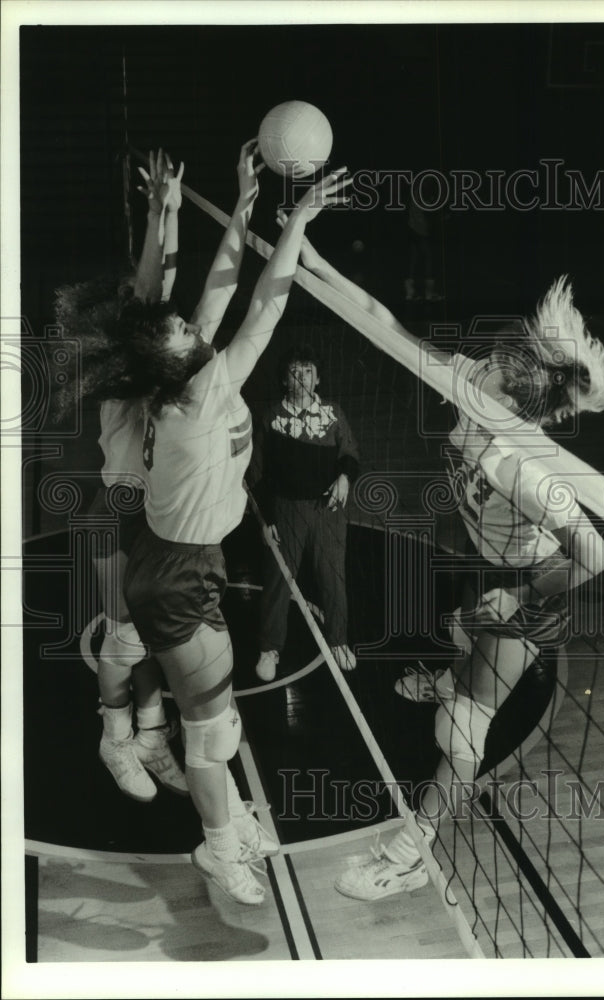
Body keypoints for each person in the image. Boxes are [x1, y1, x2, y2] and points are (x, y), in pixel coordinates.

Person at [274, 231, 604, 900]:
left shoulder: (527, 472)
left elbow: (595, 555)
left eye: (491, 380)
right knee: (464, 638)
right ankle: (453, 673)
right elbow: (385, 325)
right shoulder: (478, 386)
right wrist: (317, 262)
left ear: (512, 407)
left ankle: (409, 854)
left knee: (459, 730)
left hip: (534, 592)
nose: (474, 379)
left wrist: (519, 598)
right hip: (493, 567)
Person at [118, 145, 351, 907]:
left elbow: (218, 296)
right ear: (183, 362)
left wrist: (246, 200)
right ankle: (219, 845)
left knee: (214, 722)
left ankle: (229, 821)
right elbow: (264, 309)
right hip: (176, 575)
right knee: (212, 730)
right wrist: (300, 219)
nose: (192, 327)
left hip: (182, 559)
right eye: (183, 332)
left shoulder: (176, 381)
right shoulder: (202, 397)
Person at [54, 149, 187, 803]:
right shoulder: (121, 372)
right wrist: (158, 213)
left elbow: (165, 289)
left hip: (159, 516)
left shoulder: (159, 360)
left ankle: (153, 737)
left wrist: (173, 210)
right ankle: (116, 739)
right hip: (118, 513)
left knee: (156, 637)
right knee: (127, 637)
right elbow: (150, 291)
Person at [250, 341, 360, 681]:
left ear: (318, 379)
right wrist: (267, 518)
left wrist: (344, 477)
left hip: (327, 510)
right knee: (278, 581)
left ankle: (338, 640)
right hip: (286, 511)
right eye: (294, 372)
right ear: (284, 379)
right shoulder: (271, 418)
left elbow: (350, 454)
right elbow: (257, 473)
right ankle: (269, 648)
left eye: (308, 372)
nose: (301, 378)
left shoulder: (333, 413)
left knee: (333, 579)